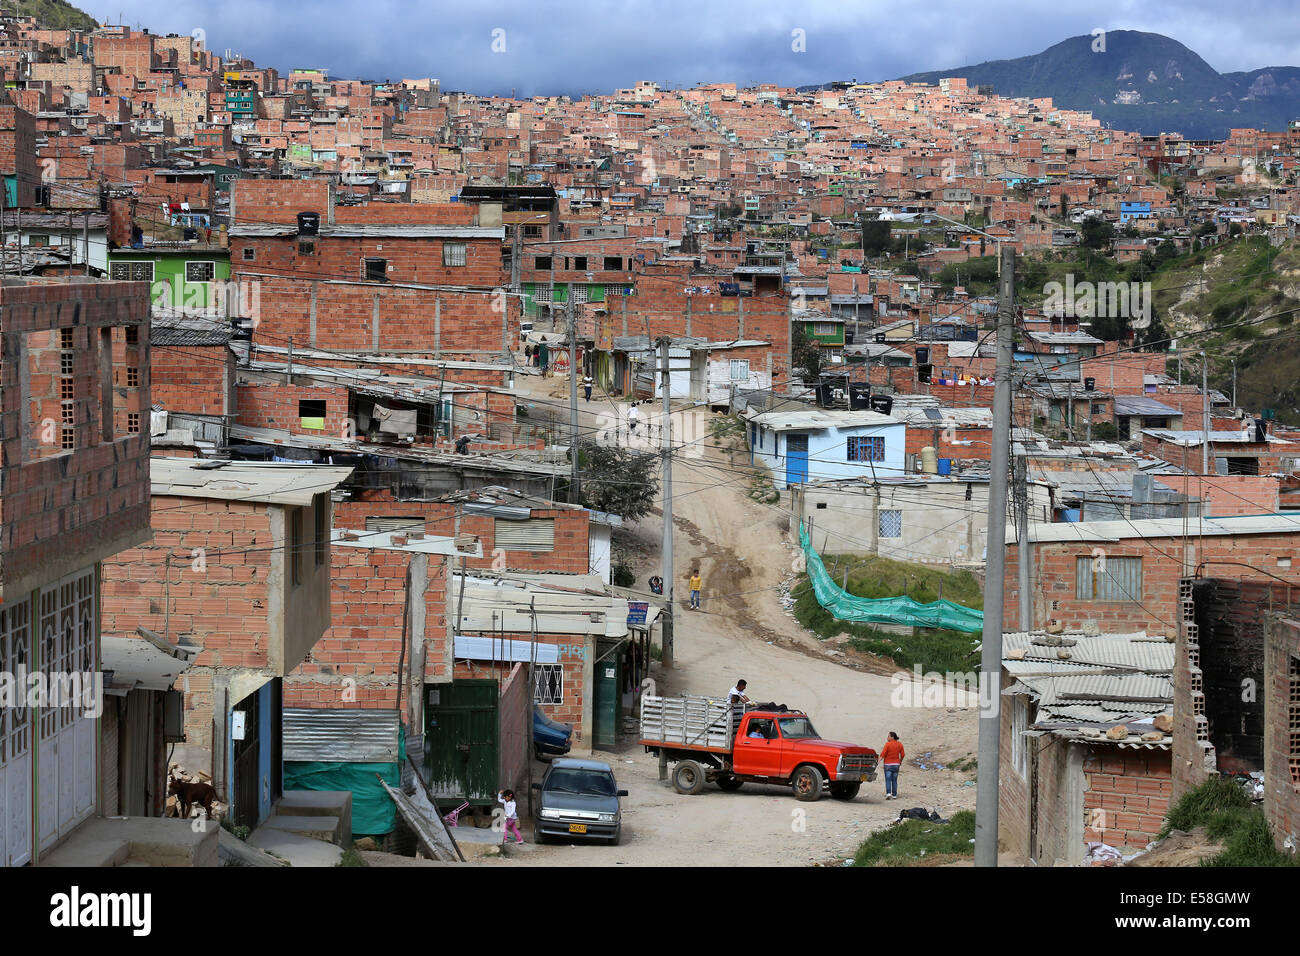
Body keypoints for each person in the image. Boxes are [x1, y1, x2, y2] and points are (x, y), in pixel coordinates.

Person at [880, 731, 904, 800]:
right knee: (894, 780)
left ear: (892, 737)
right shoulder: (900, 744)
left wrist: (878, 761)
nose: (887, 737)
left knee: (888, 779)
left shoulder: (888, 744)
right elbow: (903, 754)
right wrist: (900, 761)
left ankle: (888, 793)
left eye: (888, 736)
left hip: (888, 764)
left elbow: (883, 754)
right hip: (896, 764)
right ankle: (894, 795)